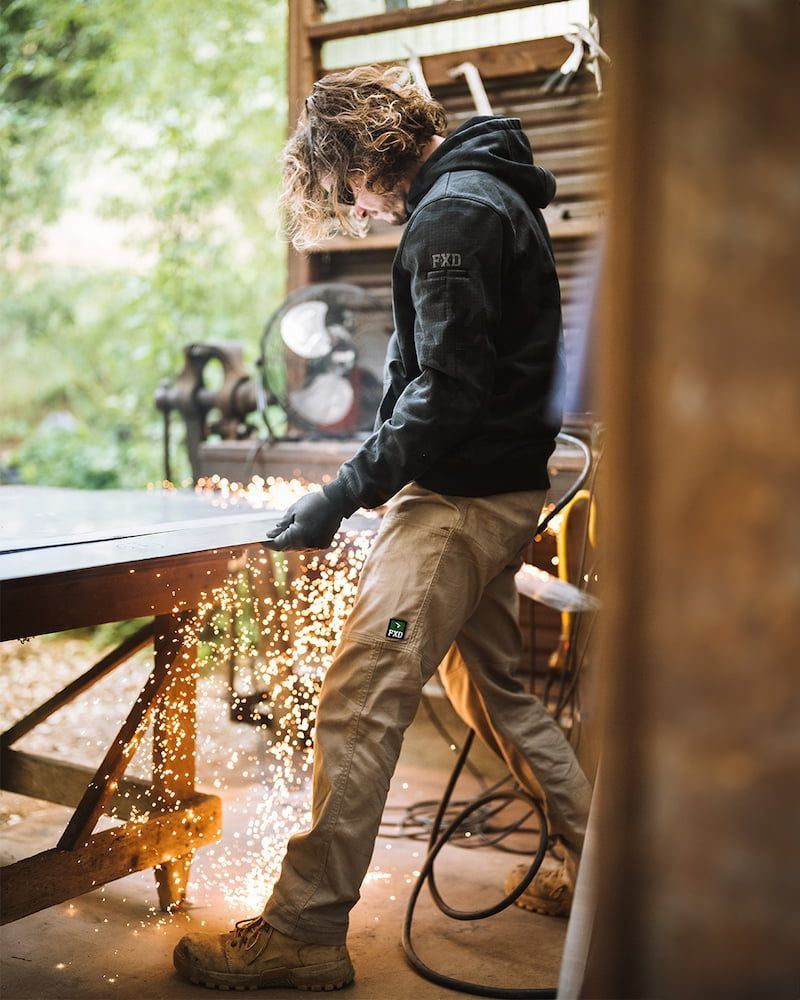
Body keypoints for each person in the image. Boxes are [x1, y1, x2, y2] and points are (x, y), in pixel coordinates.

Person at [173, 64, 592, 993]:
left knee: (360, 697)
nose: (358, 210)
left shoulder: (454, 215)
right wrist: (366, 474)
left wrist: (342, 495)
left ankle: (304, 932)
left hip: (458, 505)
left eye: (348, 189)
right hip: (493, 491)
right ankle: (603, 868)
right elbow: (440, 377)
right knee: (496, 694)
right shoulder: (483, 189)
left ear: (366, 154)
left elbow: (446, 393)